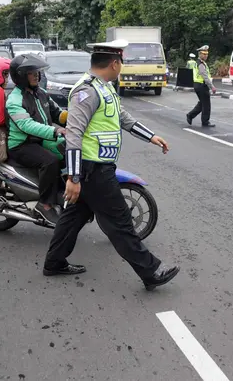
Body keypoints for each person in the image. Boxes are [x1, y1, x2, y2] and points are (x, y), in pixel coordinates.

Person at [43, 39, 180, 291]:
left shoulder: (104, 88)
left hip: (95, 168)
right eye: (122, 62)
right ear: (115, 63)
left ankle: (54, 262)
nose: (122, 67)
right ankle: (150, 272)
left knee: (74, 217)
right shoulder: (86, 92)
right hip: (92, 170)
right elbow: (73, 134)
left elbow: (123, 119)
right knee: (120, 222)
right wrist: (73, 178)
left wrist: (151, 136)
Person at [6, 54, 66, 226]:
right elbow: (27, 125)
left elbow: (58, 114)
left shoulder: (42, 93)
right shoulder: (15, 100)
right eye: (31, 72)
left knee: (68, 152)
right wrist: (55, 130)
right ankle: (45, 204)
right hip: (22, 145)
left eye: (37, 72)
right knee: (50, 161)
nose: (36, 75)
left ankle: (61, 194)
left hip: (41, 140)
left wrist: (77, 118)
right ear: (20, 76)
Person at [186, 45, 216, 127]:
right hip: (202, 85)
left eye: (207, 54)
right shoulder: (200, 64)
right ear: (200, 54)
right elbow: (205, 76)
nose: (206, 56)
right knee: (206, 105)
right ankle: (205, 122)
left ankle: (190, 115)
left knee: (202, 104)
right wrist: (212, 87)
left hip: (198, 85)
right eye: (204, 54)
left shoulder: (200, 63)